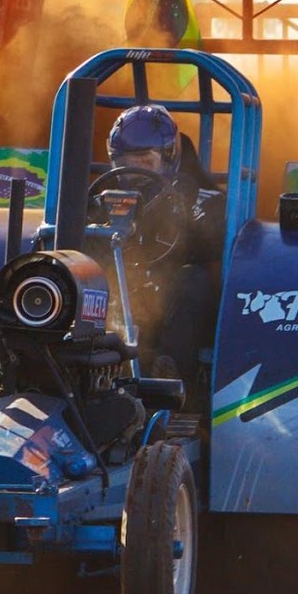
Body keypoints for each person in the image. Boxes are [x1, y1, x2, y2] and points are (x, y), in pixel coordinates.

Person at [103, 104, 225, 388]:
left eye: (145, 162)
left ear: (168, 157)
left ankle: (173, 381)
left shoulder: (201, 198)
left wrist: (185, 211)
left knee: (192, 279)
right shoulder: (103, 198)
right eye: (126, 163)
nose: (136, 171)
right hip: (125, 291)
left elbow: (216, 254)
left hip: (178, 305)